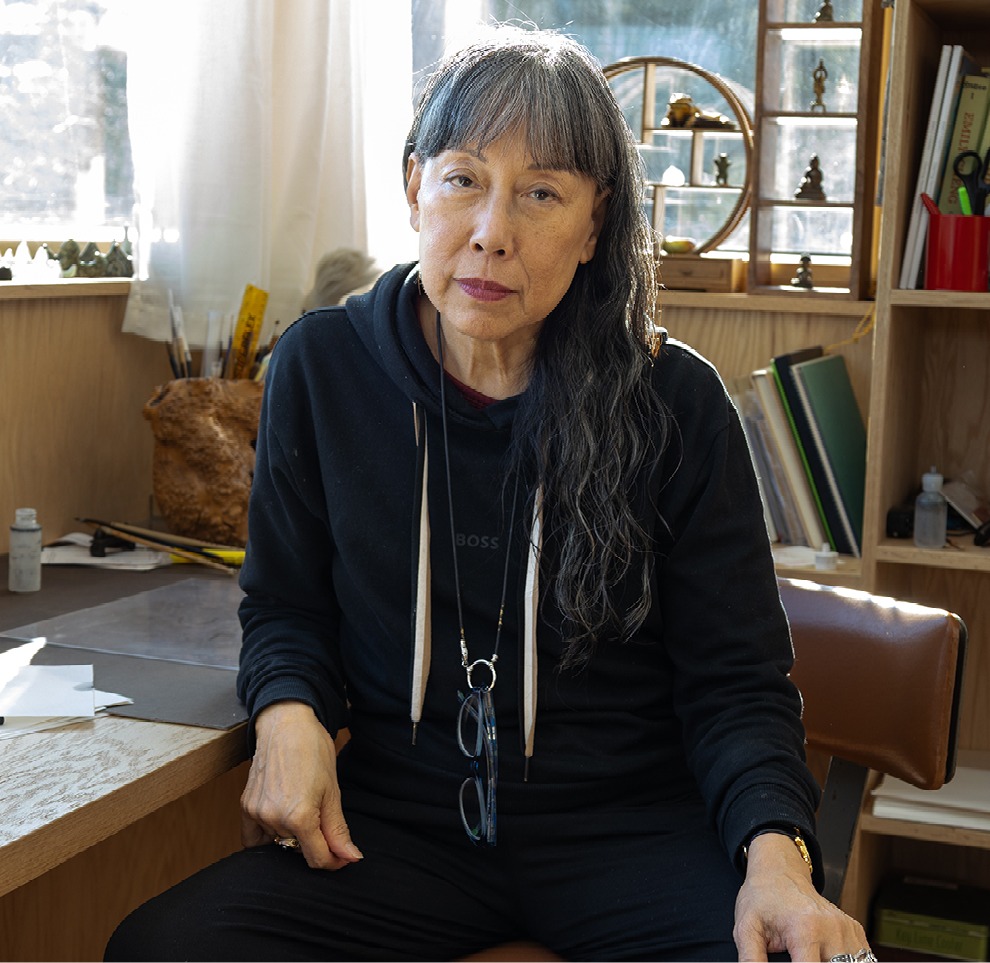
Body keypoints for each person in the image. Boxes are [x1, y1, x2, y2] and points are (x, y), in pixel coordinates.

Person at [106, 25, 875, 963]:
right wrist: (287, 709)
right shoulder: (321, 367)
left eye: (541, 193)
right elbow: (284, 605)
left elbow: (737, 684)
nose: (491, 233)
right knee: (165, 948)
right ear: (414, 188)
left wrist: (777, 860)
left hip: (634, 834)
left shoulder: (676, 403)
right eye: (463, 180)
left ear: (594, 225)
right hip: (398, 834)